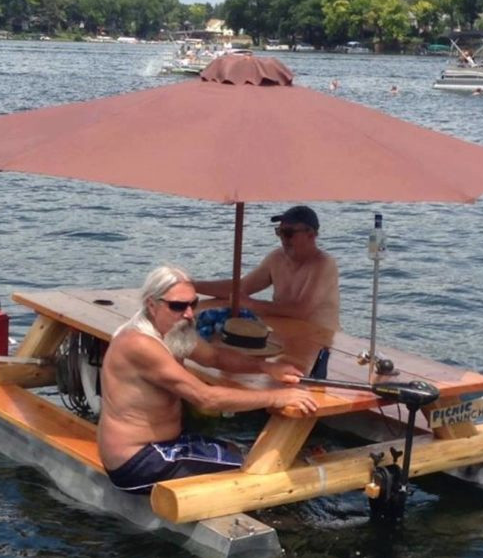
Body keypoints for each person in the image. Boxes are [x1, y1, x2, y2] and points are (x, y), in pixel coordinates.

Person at [97, 265, 317, 493]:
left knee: (242, 451)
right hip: (138, 461)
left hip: (166, 445)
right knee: (251, 469)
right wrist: (276, 398)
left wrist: (266, 367)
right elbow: (206, 398)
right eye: (178, 306)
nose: (189, 314)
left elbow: (215, 357)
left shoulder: (173, 330)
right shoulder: (140, 344)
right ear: (152, 305)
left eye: (193, 304)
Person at [193, 205, 340, 331]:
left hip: (322, 340)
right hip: (287, 332)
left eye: (288, 233)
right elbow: (241, 287)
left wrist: (252, 304)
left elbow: (301, 311)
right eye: (279, 232)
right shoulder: (276, 258)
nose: (283, 238)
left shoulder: (323, 264)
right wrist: (193, 285)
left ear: (311, 235)